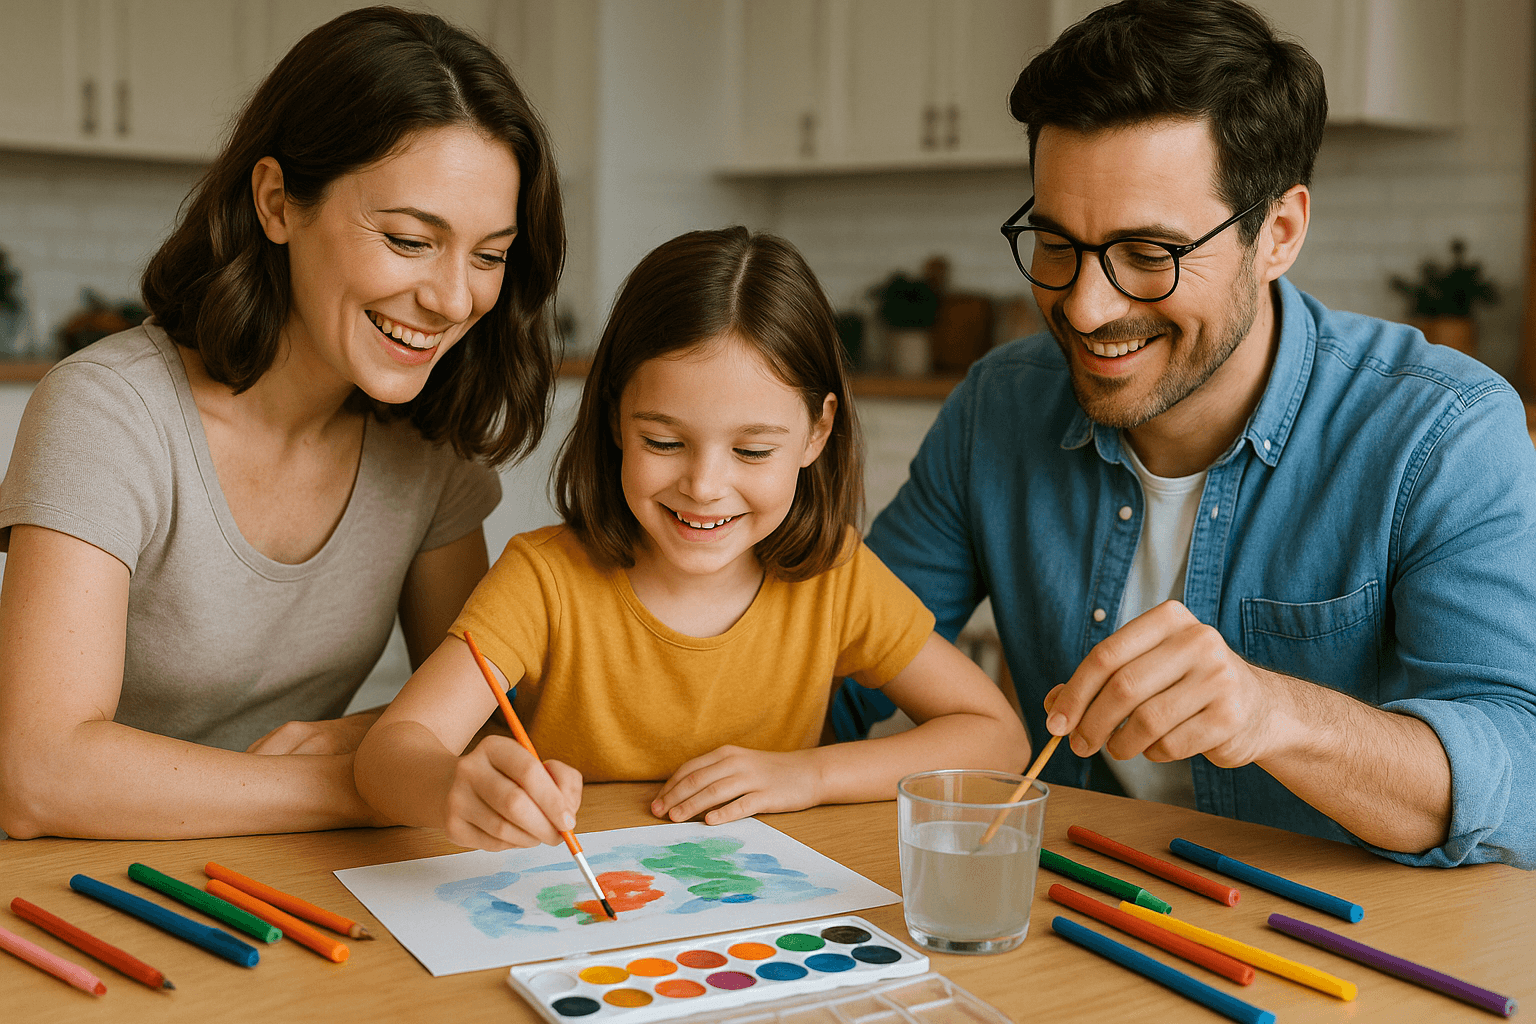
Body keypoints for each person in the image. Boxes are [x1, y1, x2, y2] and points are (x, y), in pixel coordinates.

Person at [833, 0, 1536, 868]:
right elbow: (838, 667)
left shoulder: (1443, 431)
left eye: (1149, 254)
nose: (1088, 309)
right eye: (1056, 243)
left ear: (1277, 233)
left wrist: (1272, 712)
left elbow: (1522, 781)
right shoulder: (999, 407)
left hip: (1341, 950)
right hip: (1087, 910)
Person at [0, 7, 565, 840]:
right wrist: (365, 782)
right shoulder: (108, 412)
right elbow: (39, 775)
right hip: (80, 890)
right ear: (276, 203)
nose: (453, 299)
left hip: (291, 880)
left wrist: (384, 744)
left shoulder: (426, 445)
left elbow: (484, 710)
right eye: (411, 240)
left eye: (488, 256)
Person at [354, 227, 1027, 850]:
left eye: (753, 451)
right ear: (616, 417)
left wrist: (810, 776)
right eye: (665, 441)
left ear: (817, 434)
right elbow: (392, 752)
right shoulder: (542, 580)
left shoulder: (835, 577)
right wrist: (452, 785)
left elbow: (997, 740)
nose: (704, 486)